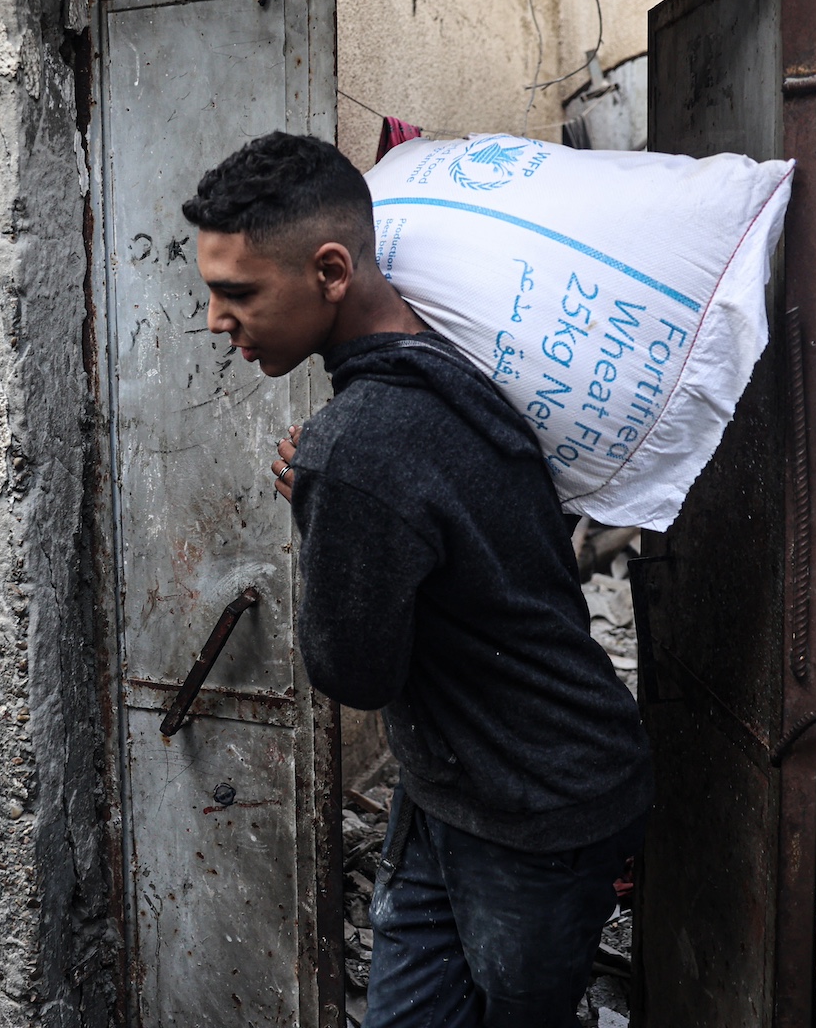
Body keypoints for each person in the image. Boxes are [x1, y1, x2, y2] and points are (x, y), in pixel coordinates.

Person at [183, 131, 652, 1028]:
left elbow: (353, 672)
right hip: (462, 784)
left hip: (536, 807)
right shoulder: (450, 355)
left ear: (331, 271)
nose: (216, 319)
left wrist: (327, 511)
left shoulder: (358, 446)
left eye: (237, 292)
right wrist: (337, 498)